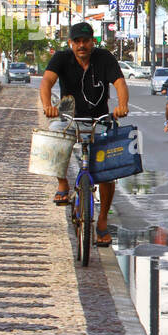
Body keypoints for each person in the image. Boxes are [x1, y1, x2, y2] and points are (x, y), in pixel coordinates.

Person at [40, 22, 129, 247]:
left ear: (92, 41)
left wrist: (122, 105)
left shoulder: (104, 58)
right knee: (52, 135)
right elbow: (47, 82)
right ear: (71, 43)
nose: (81, 45)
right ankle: (62, 185)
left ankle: (102, 221)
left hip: (99, 120)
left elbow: (119, 83)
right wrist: (47, 106)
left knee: (108, 171)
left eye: (86, 41)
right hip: (70, 119)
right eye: (77, 41)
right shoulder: (61, 58)